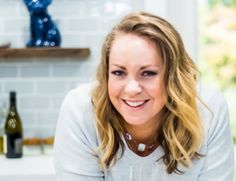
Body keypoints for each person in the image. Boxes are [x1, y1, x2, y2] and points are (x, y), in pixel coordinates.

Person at [53, 12, 234, 180]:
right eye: (118, 72)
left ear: (173, 77)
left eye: (148, 73)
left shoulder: (207, 109)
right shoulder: (81, 108)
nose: (132, 89)